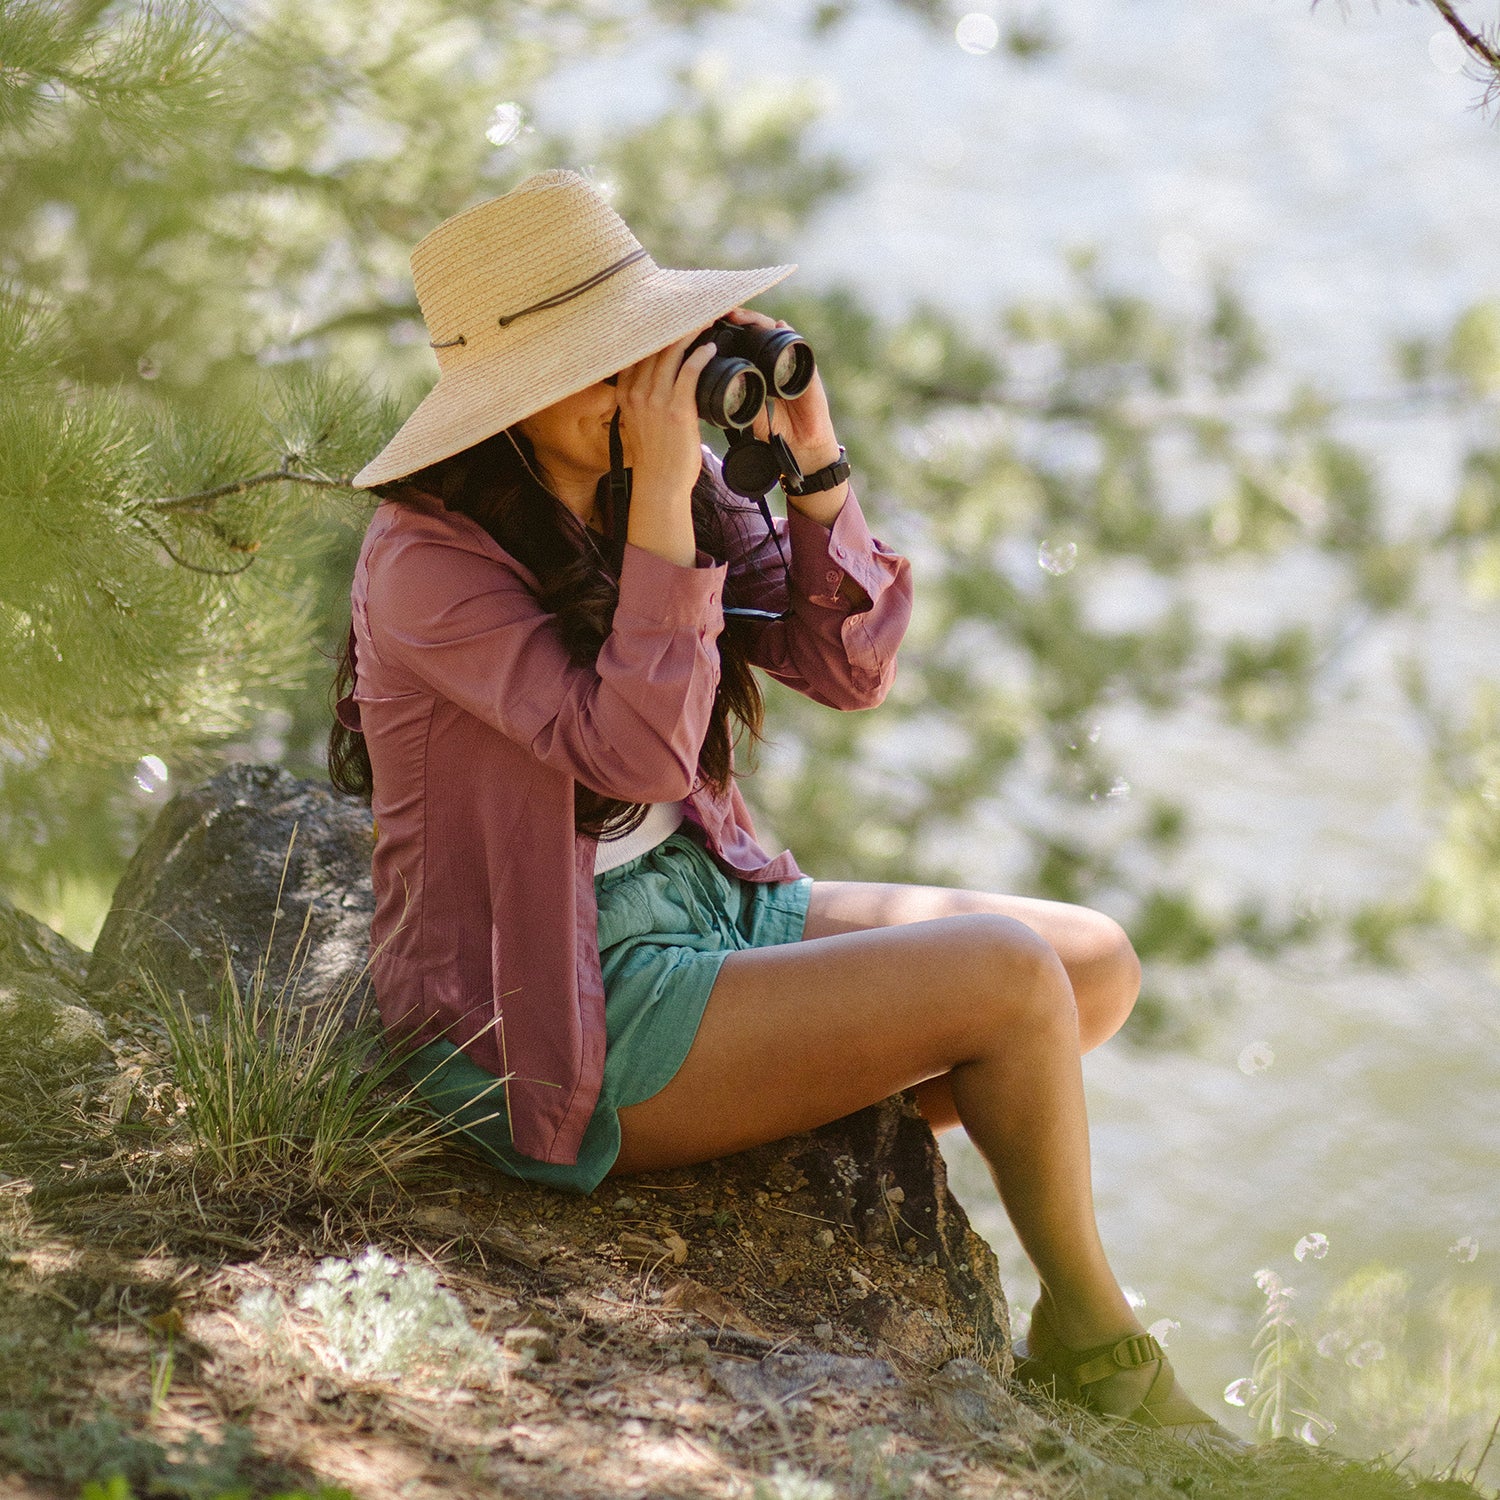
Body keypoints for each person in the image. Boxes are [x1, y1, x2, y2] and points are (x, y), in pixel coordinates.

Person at [329, 169, 1241, 1447]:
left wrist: (810, 455)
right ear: (513, 397)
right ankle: (1092, 1339)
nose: (646, 385)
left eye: (654, 348)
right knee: (1004, 981)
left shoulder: (659, 475)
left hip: (702, 900)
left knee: (1089, 966)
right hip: (546, 998)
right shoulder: (428, 564)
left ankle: (778, 1094)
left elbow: (846, 667)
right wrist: (662, 507)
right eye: (608, 367)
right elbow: (633, 753)